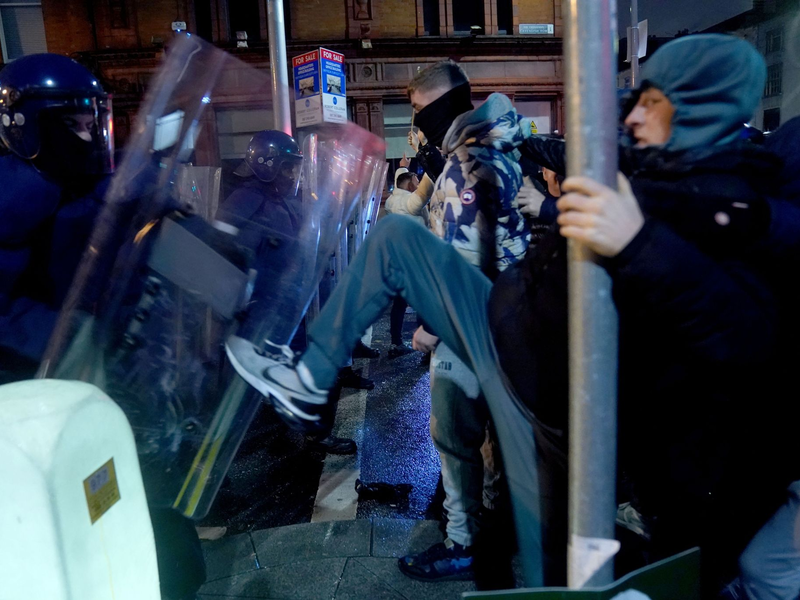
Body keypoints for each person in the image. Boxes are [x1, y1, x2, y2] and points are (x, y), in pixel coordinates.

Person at [227, 59, 534, 584]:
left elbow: (467, 255)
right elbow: (422, 212)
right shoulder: (469, 154)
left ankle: (466, 543)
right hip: (494, 320)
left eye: (417, 111)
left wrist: (434, 328)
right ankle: (477, 532)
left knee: (457, 437)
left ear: (441, 106)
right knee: (473, 443)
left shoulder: (472, 165)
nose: (415, 124)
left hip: (478, 324)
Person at [218, 130, 357, 456]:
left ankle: (308, 432)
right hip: (257, 309)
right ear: (267, 165)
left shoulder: (288, 200)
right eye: (287, 167)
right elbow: (223, 251)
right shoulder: (245, 200)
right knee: (241, 387)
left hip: (289, 305)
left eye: (295, 166)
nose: (294, 174)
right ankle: (210, 462)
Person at [383, 153, 432, 357]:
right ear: (409, 184)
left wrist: (403, 166)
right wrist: (432, 162)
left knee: (400, 303)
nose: (418, 182)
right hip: (415, 261)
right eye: (415, 180)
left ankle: (395, 343)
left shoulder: (393, 201)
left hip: (397, 261)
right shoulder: (410, 202)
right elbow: (425, 191)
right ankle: (427, 349)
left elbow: (402, 180)